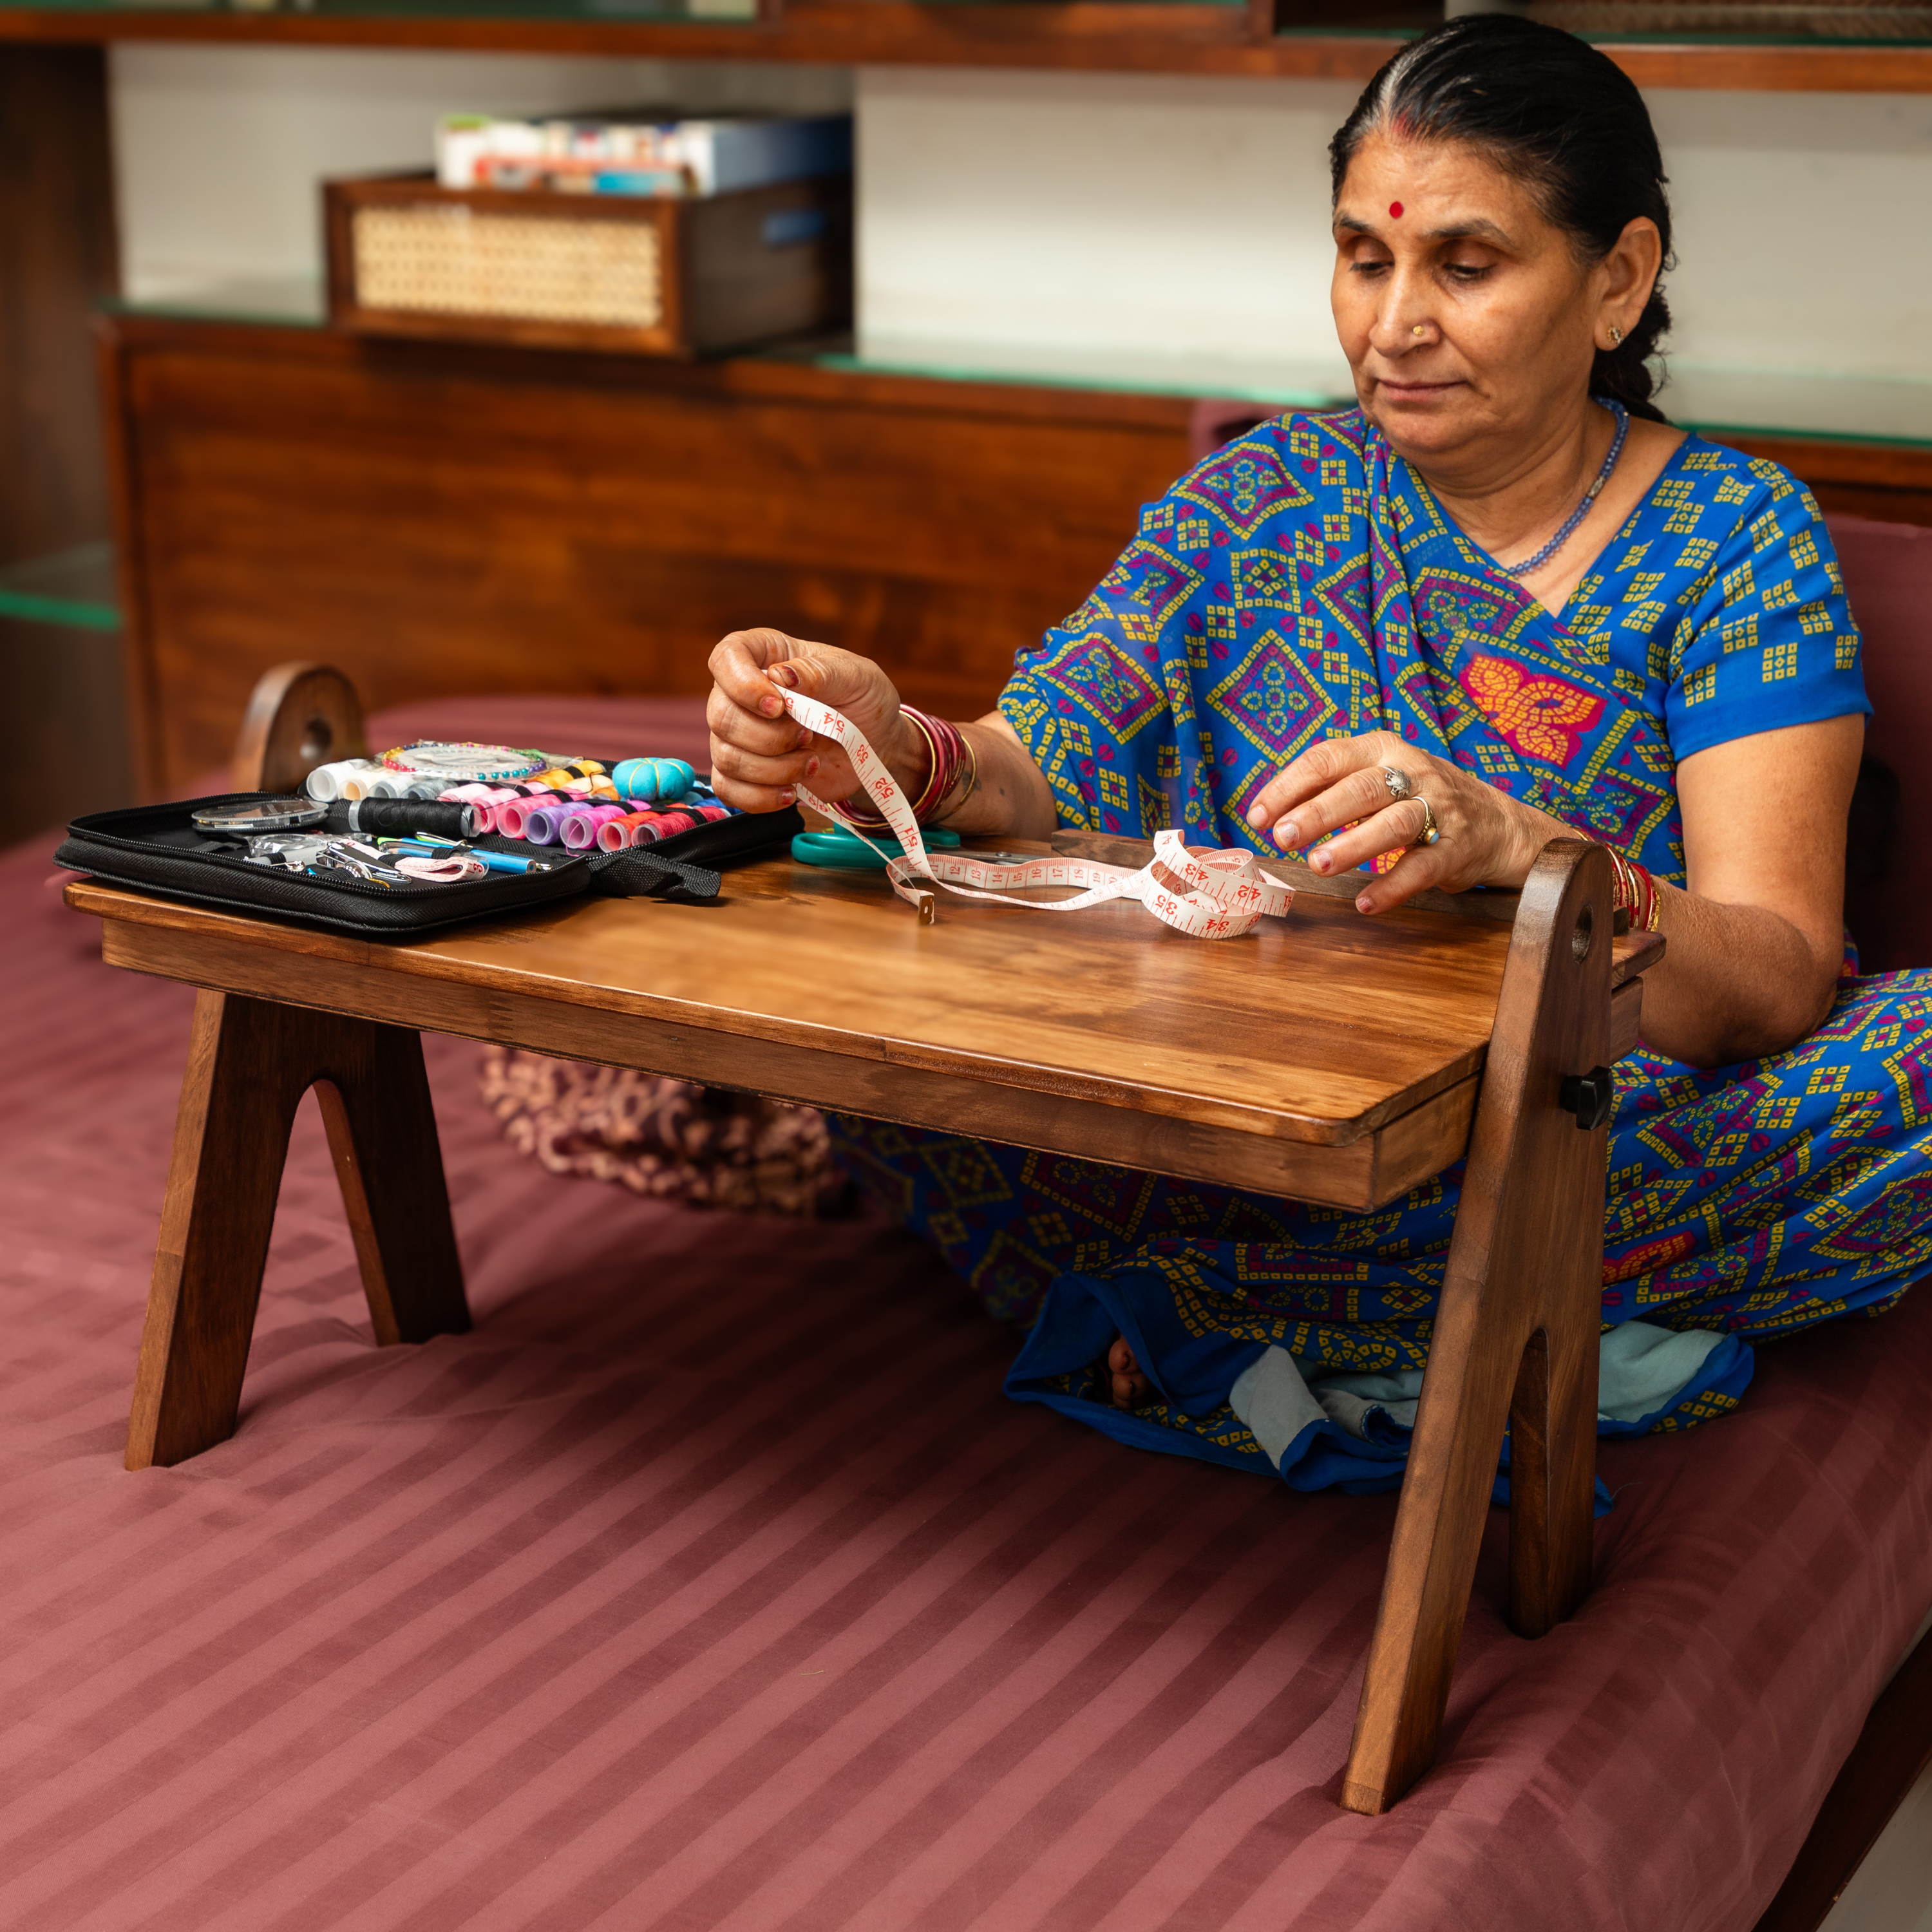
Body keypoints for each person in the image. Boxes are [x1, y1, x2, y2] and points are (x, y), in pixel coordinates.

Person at [703, 15, 1930, 1499]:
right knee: (867, 979)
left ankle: (1211, 1307)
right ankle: (1435, 1311)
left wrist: (1517, 843)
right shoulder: (1263, 497)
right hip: (1252, 1107)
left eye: (1462, 266)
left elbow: (1781, 977)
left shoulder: (1735, 544)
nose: (1391, 324)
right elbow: (1039, 766)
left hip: (1591, 1119)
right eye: (1363, 258)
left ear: (1618, 279)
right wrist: (888, 745)